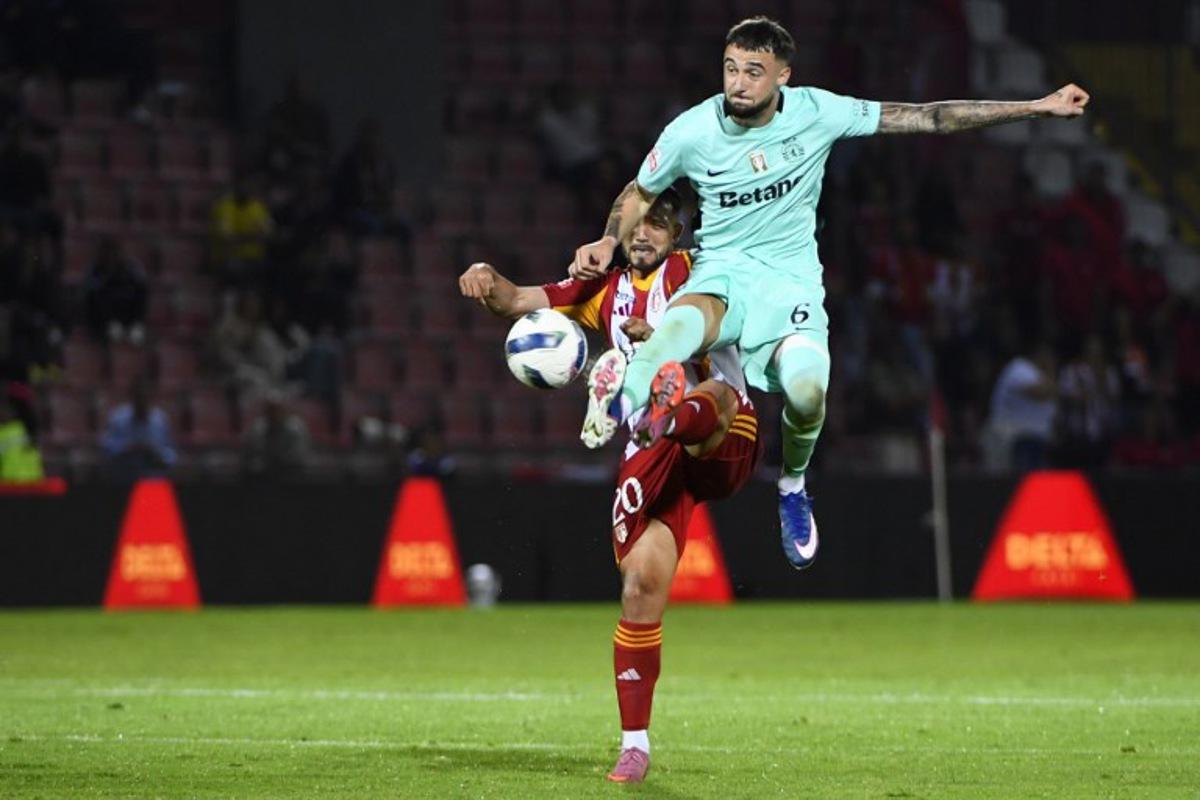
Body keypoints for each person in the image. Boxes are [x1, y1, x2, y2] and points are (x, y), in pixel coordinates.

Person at [570, 16, 1090, 569]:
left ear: (783, 77)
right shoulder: (692, 131)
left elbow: (927, 117)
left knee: (807, 395)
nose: (738, 83)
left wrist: (1036, 106)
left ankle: (792, 488)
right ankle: (620, 400)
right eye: (729, 69)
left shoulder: (819, 111)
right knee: (678, 325)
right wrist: (607, 241)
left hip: (791, 286)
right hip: (723, 272)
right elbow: (637, 190)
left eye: (753, 71)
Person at [459, 189, 761, 783]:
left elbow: (720, 323)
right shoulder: (603, 289)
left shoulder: (701, 273)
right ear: (621, 232)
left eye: (659, 224)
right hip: (650, 456)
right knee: (639, 589)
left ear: (678, 236)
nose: (645, 233)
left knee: (715, 395)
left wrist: (665, 337)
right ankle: (635, 746)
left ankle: (664, 405)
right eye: (637, 224)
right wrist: (484, 276)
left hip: (719, 433)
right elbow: (518, 300)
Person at [100, 379, 177, 479]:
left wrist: (155, 451)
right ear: (132, 397)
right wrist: (127, 447)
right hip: (123, 466)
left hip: (152, 467)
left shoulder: (160, 419)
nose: (141, 401)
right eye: (138, 397)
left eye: (144, 397)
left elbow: (171, 454)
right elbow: (106, 445)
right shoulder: (118, 417)